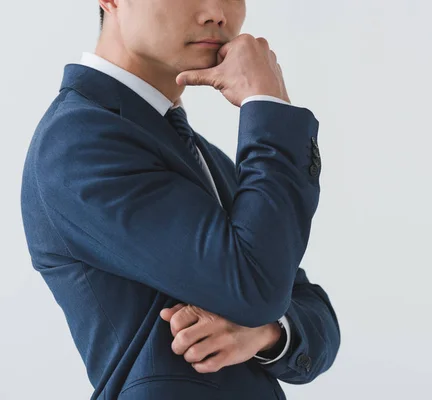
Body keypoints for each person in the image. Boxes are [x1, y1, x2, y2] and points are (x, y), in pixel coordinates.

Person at [19, 0, 340, 398]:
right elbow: (257, 287)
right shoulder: (78, 142)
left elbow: (313, 309)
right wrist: (266, 103)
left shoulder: (199, 154)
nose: (216, 13)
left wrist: (267, 332)